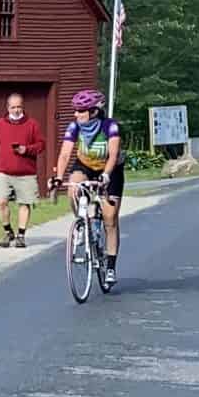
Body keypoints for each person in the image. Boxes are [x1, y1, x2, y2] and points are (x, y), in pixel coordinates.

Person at [52, 88, 125, 290]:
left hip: (110, 169)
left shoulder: (110, 126)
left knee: (110, 218)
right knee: (73, 187)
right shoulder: (74, 126)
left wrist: (106, 176)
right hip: (85, 165)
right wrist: (58, 177)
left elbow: (112, 154)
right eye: (75, 110)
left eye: (80, 110)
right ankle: (83, 223)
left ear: (93, 111)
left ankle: (110, 266)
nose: (75, 114)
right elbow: (65, 154)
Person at [0, 91, 45, 247]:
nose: (16, 110)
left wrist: (27, 149)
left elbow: (41, 145)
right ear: (8, 107)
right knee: (2, 202)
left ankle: (21, 235)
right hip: (4, 172)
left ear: (23, 107)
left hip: (26, 173)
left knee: (24, 204)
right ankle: (7, 232)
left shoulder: (32, 124)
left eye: (19, 107)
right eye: (13, 107)